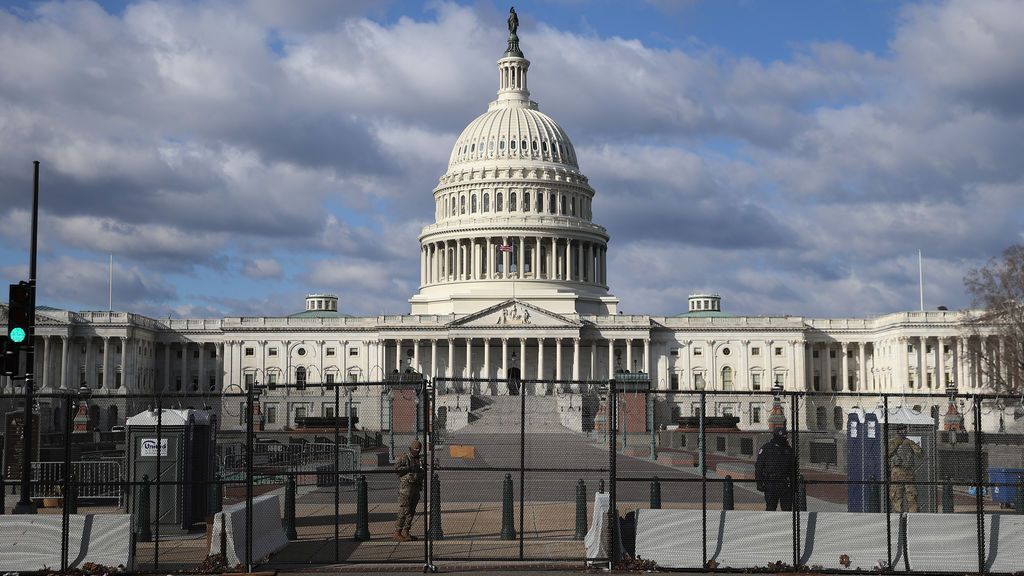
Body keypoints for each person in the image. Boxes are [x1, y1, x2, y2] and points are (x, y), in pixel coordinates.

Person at [755, 426, 795, 511]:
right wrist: (759, 482)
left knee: (787, 509)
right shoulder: (767, 448)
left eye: (785, 436)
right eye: (782, 437)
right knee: (771, 508)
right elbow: (759, 466)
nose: (784, 438)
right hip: (770, 482)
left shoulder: (788, 450)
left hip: (784, 483)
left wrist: (793, 484)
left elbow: (793, 469)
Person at [393, 439, 424, 542]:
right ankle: (397, 533)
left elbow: (421, 471)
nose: (417, 451)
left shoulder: (419, 459)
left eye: (418, 449)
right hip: (406, 489)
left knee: (411, 511)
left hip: (415, 487)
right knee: (404, 510)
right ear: (411, 448)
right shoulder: (405, 457)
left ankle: (406, 531)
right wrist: (408, 468)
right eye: (415, 449)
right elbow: (397, 469)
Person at [887, 425, 922, 512]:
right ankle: (899, 516)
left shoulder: (909, 442)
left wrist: (911, 444)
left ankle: (912, 516)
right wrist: (897, 443)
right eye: (901, 430)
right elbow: (887, 453)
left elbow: (920, 453)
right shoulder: (893, 442)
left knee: (912, 497)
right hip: (897, 474)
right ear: (897, 431)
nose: (903, 432)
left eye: (904, 430)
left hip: (908, 474)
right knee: (896, 497)